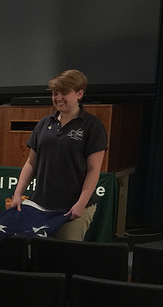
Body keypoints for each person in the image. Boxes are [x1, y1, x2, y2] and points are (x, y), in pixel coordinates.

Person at [10, 69, 108, 241]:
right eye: (55, 93)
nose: (58, 98)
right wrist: (17, 194)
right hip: (40, 205)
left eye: (64, 93)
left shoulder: (93, 126)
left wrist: (81, 204)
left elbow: (93, 170)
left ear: (79, 94)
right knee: (36, 254)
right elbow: (31, 163)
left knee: (64, 257)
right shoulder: (44, 124)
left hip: (73, 209)